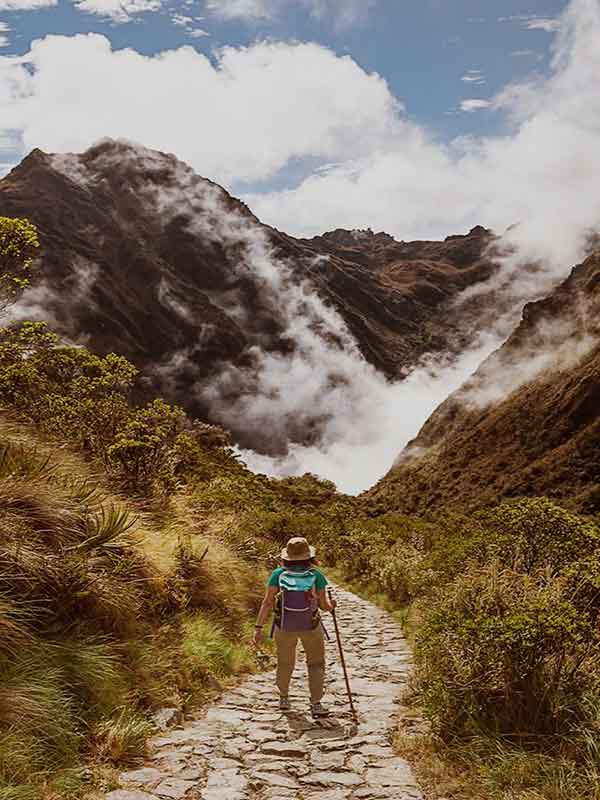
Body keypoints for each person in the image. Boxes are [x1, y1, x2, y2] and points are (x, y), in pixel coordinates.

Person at [254, 536, 336, 717]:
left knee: (285, 662)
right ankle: (315, 703)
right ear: (308, 556)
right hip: (311, 626)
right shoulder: (316, 575)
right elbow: (324, 606)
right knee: (315, 663)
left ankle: (284, 698)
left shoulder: (277, 574)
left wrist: (258, 627)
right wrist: (332, 605)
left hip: (284, 626)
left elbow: (267, 602)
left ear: (287, 556)